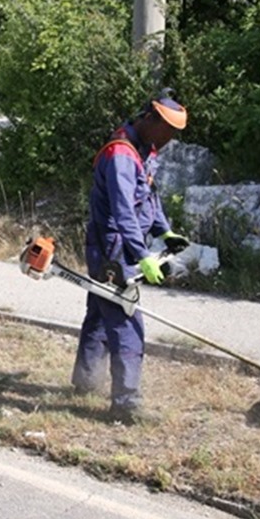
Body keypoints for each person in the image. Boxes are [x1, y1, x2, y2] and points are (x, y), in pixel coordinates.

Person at [71, 90, 190, 425]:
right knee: (125, 320)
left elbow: (147, 197)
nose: (169, 139)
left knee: (98, 314)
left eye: (174, 133)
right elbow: (124, 211)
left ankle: (85, 380)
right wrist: (144, 256)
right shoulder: (121, 154)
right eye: (167, 130)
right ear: (149, 119)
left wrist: (164, 231)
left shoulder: (144, 149)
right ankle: (126, 404)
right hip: (112, 248)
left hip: (122, 243)